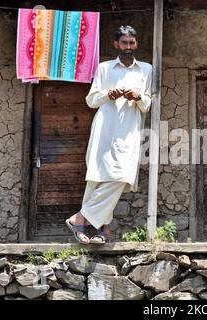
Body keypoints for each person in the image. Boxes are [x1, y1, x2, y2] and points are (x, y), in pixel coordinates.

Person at [65, 25, 152, 244]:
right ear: (116, 44)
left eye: (132, 43)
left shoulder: (146, 70)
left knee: (122, 176)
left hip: (130, 129)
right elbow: (91, 100)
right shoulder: (104, 68)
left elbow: (148, 104)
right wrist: (108, 94)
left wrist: (138, 96)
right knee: (97, 176)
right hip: (104, 127)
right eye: (124, 43)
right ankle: (102, 230)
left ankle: (80, 218)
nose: (128, 47)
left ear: (136, 44)